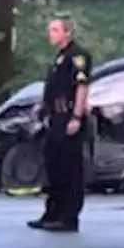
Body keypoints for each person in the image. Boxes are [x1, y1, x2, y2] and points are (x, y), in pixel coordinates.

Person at [27, 15, 92, 233]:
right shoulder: (60, 57)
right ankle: (52, 213)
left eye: (55, 30)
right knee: (53, 167)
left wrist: (76, 117)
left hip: (69, 118)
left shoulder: (78, 56)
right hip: (55, 118)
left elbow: (81, 87)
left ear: (67, 33)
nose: (50, 34)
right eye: (50, 30)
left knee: (70, 170)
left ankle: (69, 217)